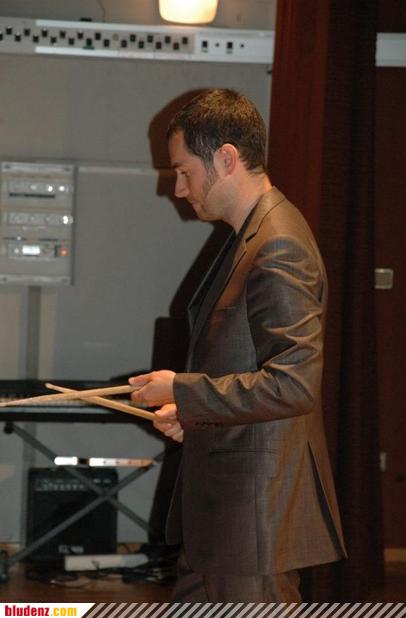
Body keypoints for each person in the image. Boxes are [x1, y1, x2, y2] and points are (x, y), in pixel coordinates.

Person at [129, 89, 346, 602]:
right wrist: (193, 415)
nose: (179, 189)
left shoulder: (278, 243)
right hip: (227, 519)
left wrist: (183, 391)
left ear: (226, 158)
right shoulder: (255, 234)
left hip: (251, 521)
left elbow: (293, 385)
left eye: (184, 171)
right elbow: (249, 368)